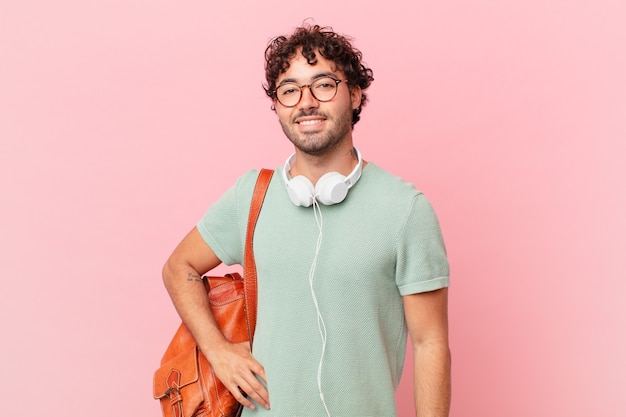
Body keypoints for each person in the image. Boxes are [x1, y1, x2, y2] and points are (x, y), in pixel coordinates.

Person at [162, 23, 451, 417]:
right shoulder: (251, 196)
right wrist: (218, 351)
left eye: (324, 85)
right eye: (290, 90)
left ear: (354, 93)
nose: (306, 102)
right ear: (277, 105)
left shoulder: (406, 209)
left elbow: (429, 343)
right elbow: (179, 267)